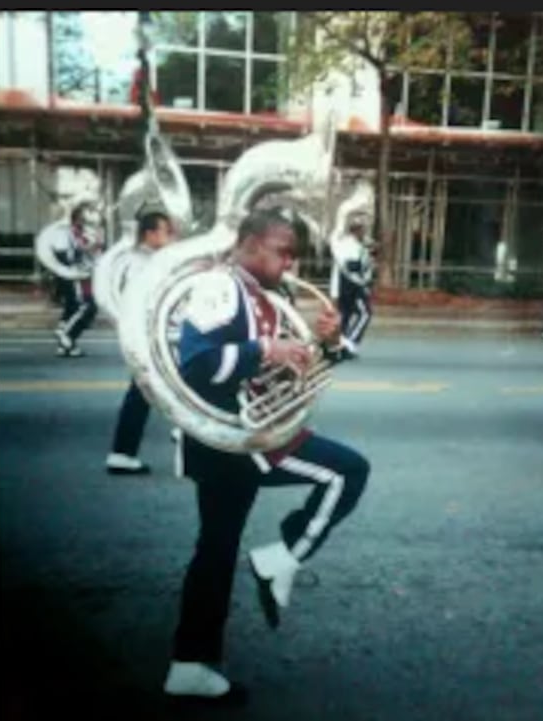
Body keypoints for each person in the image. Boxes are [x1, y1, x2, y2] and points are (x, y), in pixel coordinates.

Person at [162, 208, 370, 705]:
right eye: (282, 251)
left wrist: (326, 343)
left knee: (216, 548)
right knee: (348, 472)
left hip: (244, 437)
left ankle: (188, 664)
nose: (290, 262)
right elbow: (195, 364)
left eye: (293, 253)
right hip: (238, 440)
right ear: (251, 243)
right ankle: (281, 558)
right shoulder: (220, 287)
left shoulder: (270, 295)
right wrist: (262, 350)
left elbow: (297, 367)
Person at [106, 210, 176, 475]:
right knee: (142, 393)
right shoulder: (142, 264)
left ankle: (183, 432)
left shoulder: (144, 260)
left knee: (161, 388)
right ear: (150, 234)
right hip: (146, 337)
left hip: (148, 336)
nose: (170, 237)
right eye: (166, 231)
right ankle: (122, 453)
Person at [35, 200, 103, 357]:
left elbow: (84, 249)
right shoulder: (62, 231)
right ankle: (66, 335)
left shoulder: (77, 230)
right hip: (72, 275)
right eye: (81, 213)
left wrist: (90, 248)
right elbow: (65, 255)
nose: (84, 217)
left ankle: (66, 345)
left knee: (72, 307)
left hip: (78, 274)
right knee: (87, 307)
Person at [329, 216, 374, 359]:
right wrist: (364, 263)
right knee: (365, 313)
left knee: (345, 315)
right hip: (351, 285)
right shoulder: (348, 245)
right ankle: (349, 342)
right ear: (356, 231)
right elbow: (350, 266)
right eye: (362, 230)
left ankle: (340, 346)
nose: (364, 233)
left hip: (350, 285)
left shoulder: (357, 245)